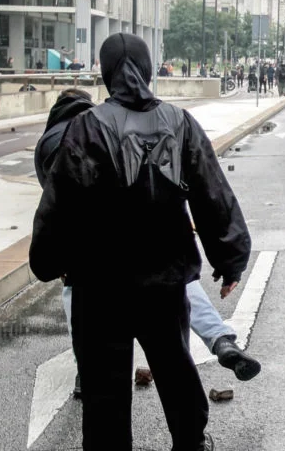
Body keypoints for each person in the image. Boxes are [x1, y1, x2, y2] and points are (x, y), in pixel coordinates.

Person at [29, 33, 252, 451]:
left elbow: (59, 206)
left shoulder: (86, 129)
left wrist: (48, 262)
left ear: (106, 73)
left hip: (98, 286)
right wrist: (230, 257)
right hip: (163, 279)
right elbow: (213, 193)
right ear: (149, 70)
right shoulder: (180, 123)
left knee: (106, 398)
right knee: (175, 370)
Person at [34, 89, 261, 396]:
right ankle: (220, 340)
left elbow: (57, 207)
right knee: (180, 285)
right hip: (146, 245)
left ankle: (85, 372)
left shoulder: (48, 144)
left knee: (74, 292)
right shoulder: (103, 130)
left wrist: (59, 261)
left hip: (93, 254)